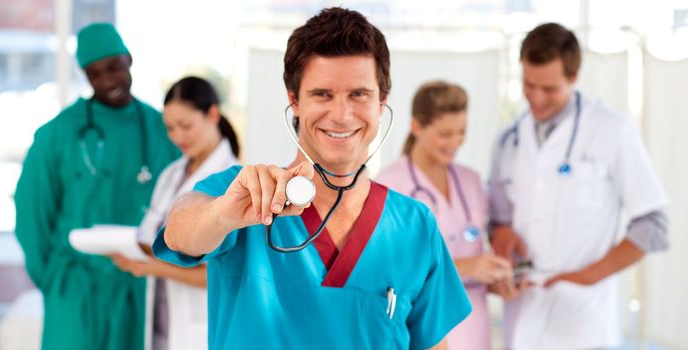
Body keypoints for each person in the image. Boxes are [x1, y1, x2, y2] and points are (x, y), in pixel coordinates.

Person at [153, 7, 471, 350]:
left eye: (358, 94)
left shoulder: (415, 226)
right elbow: (180, 231)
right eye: (322, 94)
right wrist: (222, 215)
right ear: (295, 101)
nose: (341, 115)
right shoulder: (246, 194)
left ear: (381, 103)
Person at [488, 23, 669, 350]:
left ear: (573, 78)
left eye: (549, 89)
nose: (537, 99)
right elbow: (498, 222)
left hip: (584, 321)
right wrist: (503, 242)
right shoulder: (508, 140)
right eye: (529, 85)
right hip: (524, 316)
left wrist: (590, 276)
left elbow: (653, 224)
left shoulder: (613, 131)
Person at [14, 23, 180, 349]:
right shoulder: (57, 134)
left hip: (138, 284)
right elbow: (31, 214)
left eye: (115, 67)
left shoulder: (162, 130)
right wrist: (52, 278)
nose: (108, 81)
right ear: (85, 76)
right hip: (75, 288)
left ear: (129, 59)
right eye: (95, 73)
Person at [376, 81, 511, 350]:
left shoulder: (471, 182)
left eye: (461, 132)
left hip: (474, 325)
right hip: (423, 329)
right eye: (445, 134)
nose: (455, 142)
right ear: (416, 126)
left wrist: (501, 279)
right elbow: (387, 273)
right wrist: (468, 267)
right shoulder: (390, 186)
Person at [110, 76, 240, 350]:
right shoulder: (171, 174)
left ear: (213, 114)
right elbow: (153, 240)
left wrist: (153, 267)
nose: (178, 137)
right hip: (160, 326)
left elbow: (220, 272)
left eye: (186, 126)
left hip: (198, 331)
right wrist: (125, 247)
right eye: (170, 128)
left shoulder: (233, 182)